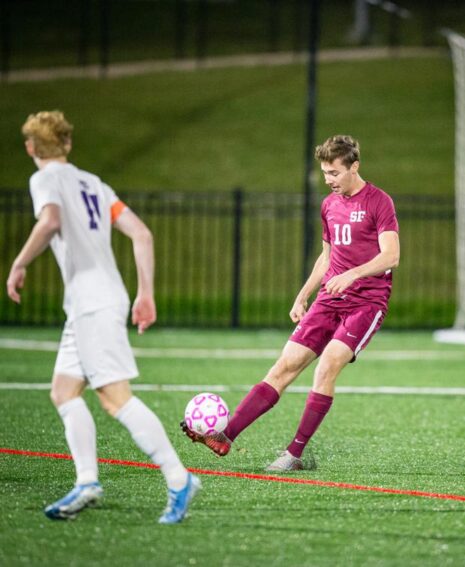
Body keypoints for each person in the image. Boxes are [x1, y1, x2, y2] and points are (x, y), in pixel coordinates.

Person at [6, 111, 200, 522]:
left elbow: (51, 220)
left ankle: (179, 478)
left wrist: (19, 263)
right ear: (68, 144)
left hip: (93, 304)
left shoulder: (44, 179)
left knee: (115, 399)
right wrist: (144, 293)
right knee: (63, 391)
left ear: (30, 148)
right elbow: (141, 233)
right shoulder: (94, 183)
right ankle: (87, 481)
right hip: (91, 304)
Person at [181, 134, 400, 471]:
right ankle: (226, 436)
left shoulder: (378, 201)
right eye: (325, 173)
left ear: (354, 167)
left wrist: (353, 275)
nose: (329, 180)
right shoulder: (329, 205)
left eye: (335, 173)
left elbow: (392, 256)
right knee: (283, 368)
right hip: (330, 299)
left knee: (327, 365)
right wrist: (304, 293)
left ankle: (294, 454)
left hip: (366, 302)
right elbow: (327, 258)